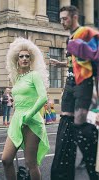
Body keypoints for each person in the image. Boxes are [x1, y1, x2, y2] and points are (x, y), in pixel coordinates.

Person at [50, 5, 99, 180]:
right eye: (61, 19)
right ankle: (64, 173)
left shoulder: (86, 33)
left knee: (82, 128)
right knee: (66, 125)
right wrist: (61, 64)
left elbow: (95, 57)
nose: (62, 21)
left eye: (65, 18)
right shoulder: (70, 37)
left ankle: (91, 172)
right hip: (70, 85)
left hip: (83, 86)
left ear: (75, 16)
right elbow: (76, 63)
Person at [1, 37, 50, 180]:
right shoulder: (17, 79)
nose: (24, 59)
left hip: (32, 120)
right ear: (16, 59)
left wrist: (28, 116)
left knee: (31, 163)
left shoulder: (34, 75)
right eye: (21, 56)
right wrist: (14, 119)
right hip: (17, 120)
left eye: (27, 56)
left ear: (31, 59)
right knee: (6, 159)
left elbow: (43, 98)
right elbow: (17, 102)